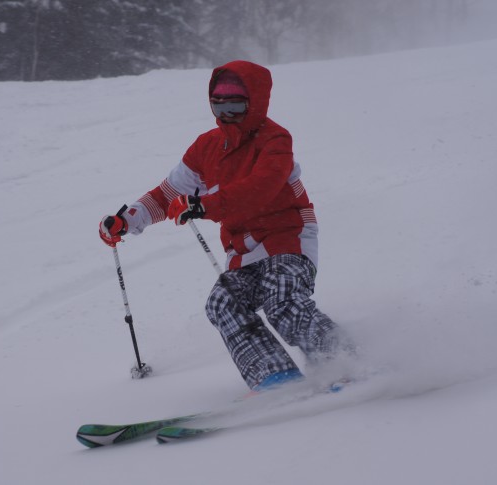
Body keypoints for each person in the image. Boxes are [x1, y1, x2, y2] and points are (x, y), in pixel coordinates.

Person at [99, 60, 347, 391]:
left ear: (255, 102)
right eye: (219, 104)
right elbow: (167, 194)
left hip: (287, 238)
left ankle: (344, 359)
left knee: (281, 300)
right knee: (223, 303)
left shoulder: (275, 140)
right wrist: (127, 220)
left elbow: (261, 187)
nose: (226, 113)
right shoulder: (208, 146)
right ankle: (275, 376)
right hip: (242, 250)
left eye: (236, 104)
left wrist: (205, 205)